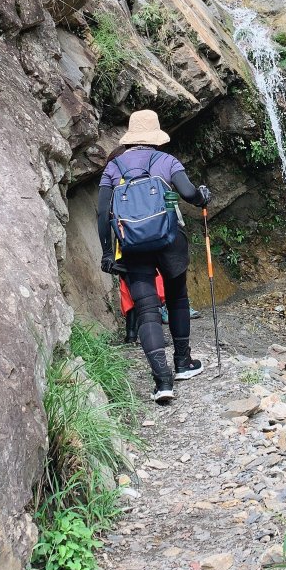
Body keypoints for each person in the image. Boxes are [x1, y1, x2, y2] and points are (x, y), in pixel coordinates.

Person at [98, 109, 211, 403]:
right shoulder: (166, 160)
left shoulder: (114, 167)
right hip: (169, 240)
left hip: (133, 246)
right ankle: (183, 364)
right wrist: (203, 196)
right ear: (155, 136)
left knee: (147, 310)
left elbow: (102, 212)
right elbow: (188, 193)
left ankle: (163, 383)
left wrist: (107, 252)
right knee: (177, 299)